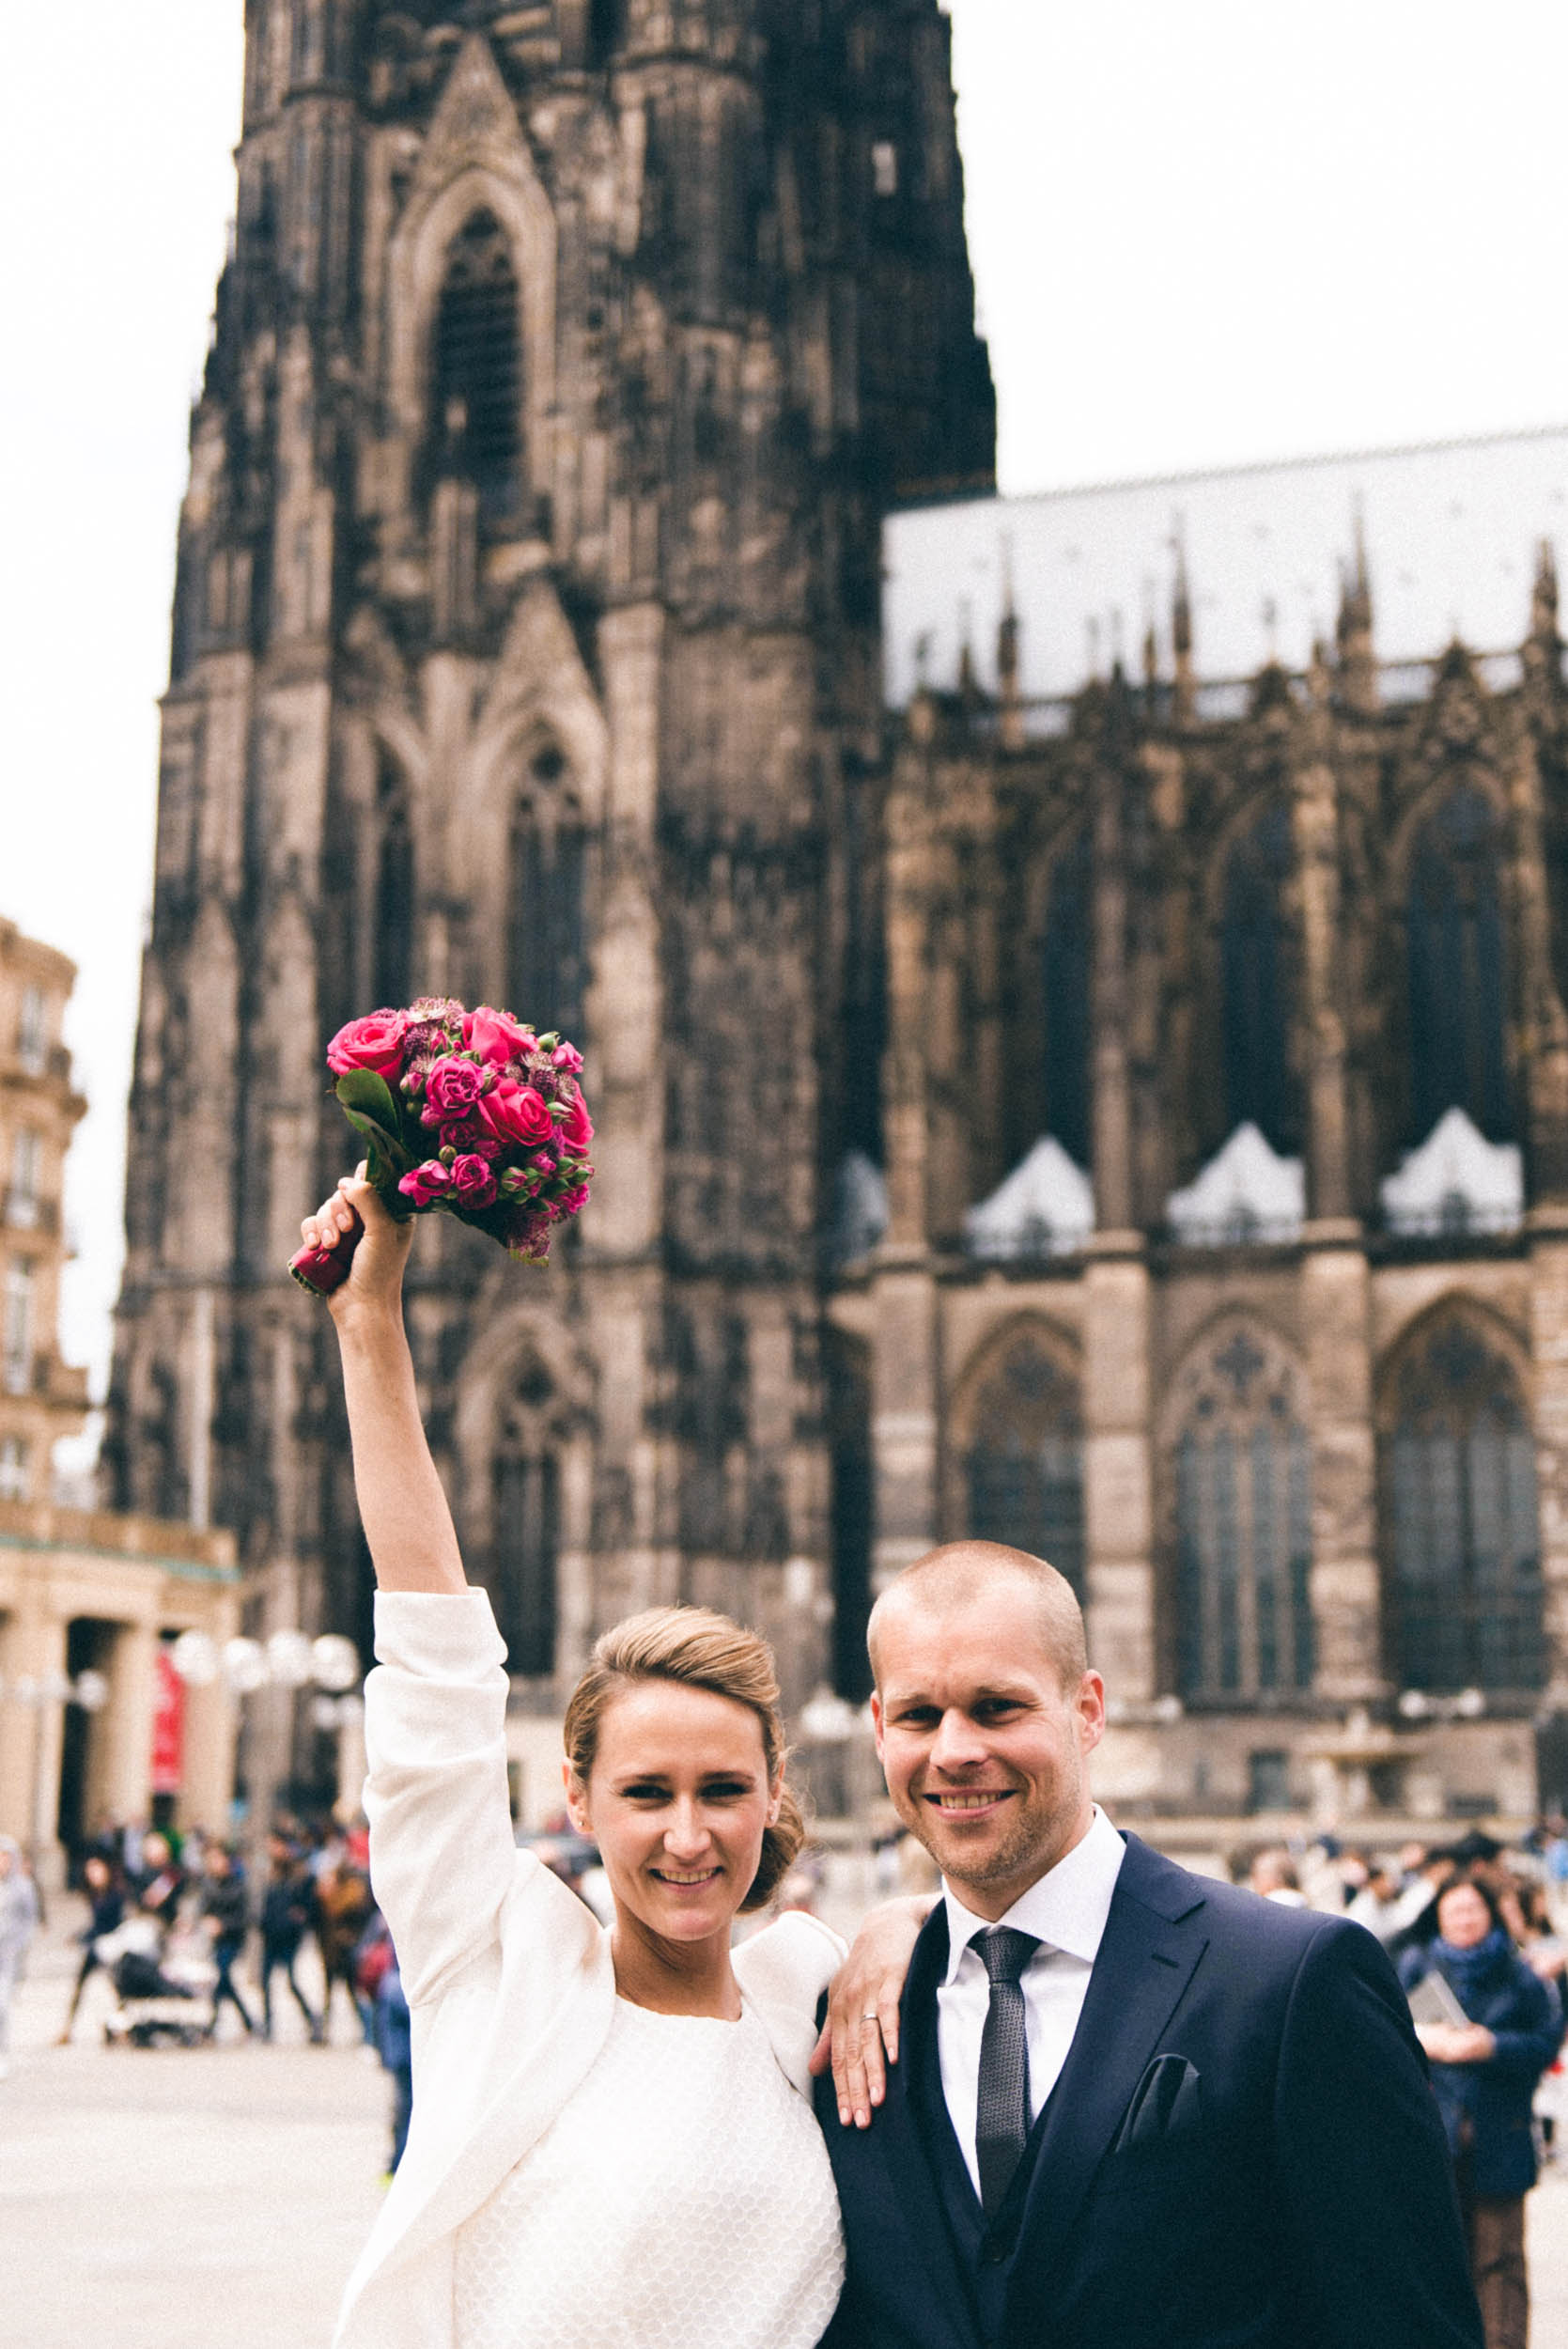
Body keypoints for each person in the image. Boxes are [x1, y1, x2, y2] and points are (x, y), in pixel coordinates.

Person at [304, 1171, 915, 2349]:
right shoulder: (498, 1965)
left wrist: (899, 1925)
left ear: (775, 1792)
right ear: (576, 1795)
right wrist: (366, 1321)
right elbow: (433, 1657)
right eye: (646, 1792)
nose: (688, 1835)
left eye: (723, 1789)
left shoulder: (812, 2001)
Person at [814, 1538, 1485, 2349]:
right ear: (880, 1727)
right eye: (920, 1715)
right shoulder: (845, 2016)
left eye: (997, 1707)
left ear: (1088, 1710)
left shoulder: (1292, 1978)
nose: (954, 1750)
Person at [1399, 1875, 1564, 2349]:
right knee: (1438, 2256)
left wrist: (1490, 2046)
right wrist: (1427, 2041)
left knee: (1499, 2259)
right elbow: (1382, 2029)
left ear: (1491, 1913)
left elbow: (1544, 2041)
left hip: (1502, 2133)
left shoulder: (1520, 1974)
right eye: (1455, 1911)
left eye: (1474, 1910)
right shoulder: (1416, 1964)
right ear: (1439, 1916)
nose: (1465, 1919)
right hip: (1433, 2134)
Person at [258, 1834, 324, 2043]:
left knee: (291, 1981)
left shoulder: (299, 1873)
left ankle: (312, 2019)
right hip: (271, 1935)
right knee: (265, 1982)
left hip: (289, 1936)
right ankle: (268, 2027)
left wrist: (299, 1918)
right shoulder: (271, 1873)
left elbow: (310, 1904)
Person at [57, 1854, 126, 2044]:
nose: (93, 1875)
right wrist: (80, 1936)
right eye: (90, 1872)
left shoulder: (115, 1895)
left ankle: (120, 2029)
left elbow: (108, 1925)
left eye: (96, 1870)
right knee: (81, 1986)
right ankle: (68, 2029)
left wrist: (83, 1937)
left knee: (115, 1990)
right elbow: (95, 1924)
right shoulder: (95, 1895)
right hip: (96, 1948)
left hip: (110, 1948)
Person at [197, 1843, 256, 2040]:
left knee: (222, 1976)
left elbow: (245, 1916)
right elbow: (202, 1910)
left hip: (232, 1939)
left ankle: (211, 2023)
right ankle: (248, 2021)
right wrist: (205, 1921)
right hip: (214, 1940)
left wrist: (223, 1924)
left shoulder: (238, 1885)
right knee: (224, 1981)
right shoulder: (208, 1884)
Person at [0, 1836, 40, 2078]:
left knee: (1, 2007)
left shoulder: (23, 1886)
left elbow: (29, 1919)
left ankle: (2, 2053)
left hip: (8, 1956)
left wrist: (22, 1947)